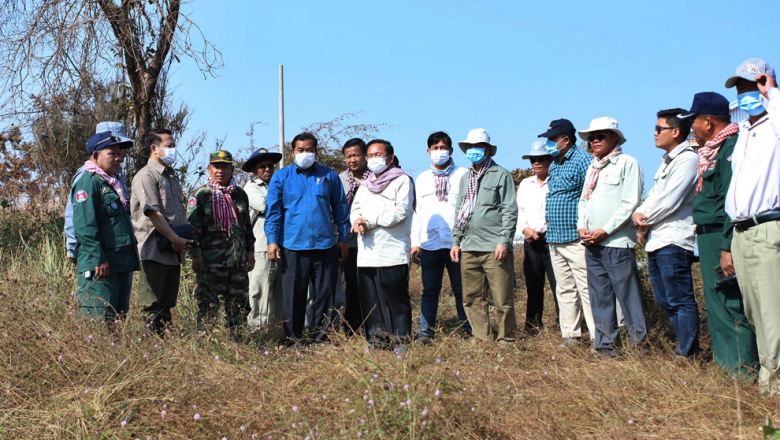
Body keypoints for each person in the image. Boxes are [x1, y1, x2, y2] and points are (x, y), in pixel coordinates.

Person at [678, 92, 758, 375]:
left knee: (730, 303)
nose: (692, 128)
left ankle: (742, 372)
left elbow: (731, 202)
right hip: (708, 236)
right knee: (716, 305)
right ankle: (727, 369)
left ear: (708, 122)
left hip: (722, 236)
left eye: (693, 122)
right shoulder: (713, 149)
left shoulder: (730, 149)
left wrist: (727, 246)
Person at [724, 58, 780, 393]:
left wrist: (771, 93)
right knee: (753, 308)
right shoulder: (745, 131)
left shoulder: (775, 126)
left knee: (772, 306)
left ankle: (771, 383)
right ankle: (768, 373)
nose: (747, 93)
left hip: (767, 226)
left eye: (751, 85)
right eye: (741, 88)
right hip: (741, 231)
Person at [265, 132, 350, 343]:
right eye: (300, 150)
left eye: (309, 150)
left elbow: (341, 209)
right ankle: (293, 338)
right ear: (292, 152)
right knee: (294, 295)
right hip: (293, 245)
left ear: (316, 152)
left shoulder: (330, 176)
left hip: (325, 245)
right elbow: (273, 212)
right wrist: (272, 240)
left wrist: (344, 239)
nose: (305, 154)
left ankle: (322, 338)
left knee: (325, 295)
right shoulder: (281, 177)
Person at [632, 109, 699, 358]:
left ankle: (688, 353)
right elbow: (654, 196)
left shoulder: (687, 160)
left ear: (676, 131)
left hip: (674, 240)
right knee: (666, 300)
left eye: (659, 128)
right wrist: (639, 214)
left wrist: (643, 222)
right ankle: (685, 348)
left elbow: (670, 201)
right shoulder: (667, 161)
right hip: (657, 241)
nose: (654, 132)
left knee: (680, 299)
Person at [576, 117, 646, 356]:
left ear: (614, 137)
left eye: (600, 136)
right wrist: (581, 227)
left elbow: (630, 202)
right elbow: (584, 200)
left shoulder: (627, 163)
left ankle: (640, 346)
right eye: (591, 138)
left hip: (616, 242)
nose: (594, 141)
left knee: (628, 296)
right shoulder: (593, 166)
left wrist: (605, 229)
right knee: (600, 296)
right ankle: (606, 346)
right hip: (592, 242)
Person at [450, 128, 518, 343]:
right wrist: (456, 241)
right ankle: (481, 338)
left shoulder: (501, 175)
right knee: (471, 298)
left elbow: (509, 210)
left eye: (478, 147)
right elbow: (460, 209)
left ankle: (506, 339)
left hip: (493, 246)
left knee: (502, 298)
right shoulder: (465, 177)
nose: (473, 151)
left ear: (488, 149)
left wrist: (504, 241)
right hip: (469, 245)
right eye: (470, 147)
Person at [350, 139, 415, 350]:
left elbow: (401, 211)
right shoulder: (365, 184)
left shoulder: (402, 180)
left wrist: (370, 221)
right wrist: (356, 221)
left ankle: (400, 341)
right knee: (371, 301)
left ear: (390, 158)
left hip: (392, 251)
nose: (372, 159)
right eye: (369, 155)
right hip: (367, 253)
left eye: (378, 155)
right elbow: (355, 209)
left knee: (395, 300)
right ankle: (376, 341)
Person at [537, 119, 596, 346]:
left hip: (576, 238)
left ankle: (597, 336)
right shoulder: (554, 164)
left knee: (587, 289)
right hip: (555, 237)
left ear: (566, 140)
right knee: (564, 290)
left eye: (552, 140)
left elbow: (590, 196)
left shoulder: (583, 160)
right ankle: (571, 336)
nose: (549, 144)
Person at [65, 122, 133, 315]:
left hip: (117, 261)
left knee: (116, 320)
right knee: (98, 321)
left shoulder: (112, 179)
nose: (119, 158)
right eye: (113, 153)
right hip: (100, 262)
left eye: (121, 153)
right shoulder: (88, 179)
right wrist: (89, 255)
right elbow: (82, 222)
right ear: (96, 155)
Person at [410, 131, 470, 343]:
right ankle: (425, 333)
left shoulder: (464, 174)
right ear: (428, 152)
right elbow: (417, 213)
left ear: (451, 150)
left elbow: (468, 208)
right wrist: (415, 242)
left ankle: (468, 330)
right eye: (435, 148)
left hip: (457, 244)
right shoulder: (422, 178)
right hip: (429, 243)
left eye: (443, 148)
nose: (439, 152)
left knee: (462, 289)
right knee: (429, 290)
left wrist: (463, 240)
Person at [130, 129, 191, 334]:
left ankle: (162, 347)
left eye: (174, 145)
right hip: (154, 250)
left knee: (167, 303)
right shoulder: (146, 176)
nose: (174, 150)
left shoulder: (172, 177)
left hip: (173, 250)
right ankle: (145, 349)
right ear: (154, 148)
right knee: (150, 305)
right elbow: (153, 213)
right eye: (169, 146)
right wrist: (174, 239)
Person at [187, 150, 255, 330]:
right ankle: (206, 347)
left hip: (237, 263)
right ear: (209, 168)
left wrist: (250, 252)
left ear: (232, 169)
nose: (220, 170)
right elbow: (193, 229)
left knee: (238, 307)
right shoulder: (201, 195)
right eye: (216, 166)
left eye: (225, 166)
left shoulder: (240, 194)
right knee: (207, 308)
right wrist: (196, 255)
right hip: (210, 263)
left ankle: (238, 345)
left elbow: (246, 227)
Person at [516, 141, 557, 334]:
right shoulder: (525, 184)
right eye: (533, 159)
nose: (536, 163)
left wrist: (545, 229)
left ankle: (564, 326)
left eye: (541, 159)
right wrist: (525, 229)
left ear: (550, 159)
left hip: (553, 240)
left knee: (560, 286)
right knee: (533, 286)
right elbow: (520, 210)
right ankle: (532, 327)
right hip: (531, 242)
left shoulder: (557, 181)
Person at [242, 148, 283, 331]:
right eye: (262, 167)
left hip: (281, 245)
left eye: (270, 166)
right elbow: (264, 205)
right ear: (254, 171)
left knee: (277, 294)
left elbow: (273, 206)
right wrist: (280, 205)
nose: (267, 169)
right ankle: (256, 332)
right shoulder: (250, 188)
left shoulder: (280, 185)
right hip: (260, 247)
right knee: (258, 292)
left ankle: (275, 333)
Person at [338, 138, 370, 334]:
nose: (352, 160)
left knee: (370, 284)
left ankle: (372, 323)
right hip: (348, 242)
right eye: (348, 156)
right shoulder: (339, 180)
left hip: (371, 239)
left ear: (365, 155)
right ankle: (351, 326)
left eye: (356, 155)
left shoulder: (376, 177)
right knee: (352, 284)